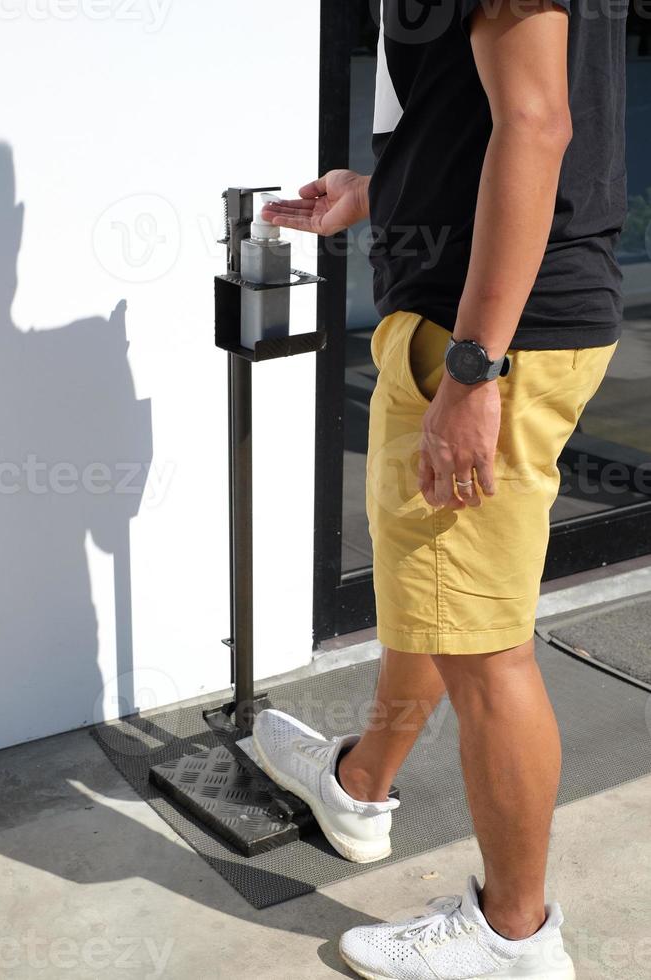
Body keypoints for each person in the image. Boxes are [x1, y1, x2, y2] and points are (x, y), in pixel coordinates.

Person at [253, 0, 627, 976]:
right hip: (476, 312)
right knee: (436, 596)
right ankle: (359, 783)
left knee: (481, 645)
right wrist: (378, 190)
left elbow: (541, 125)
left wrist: (473, 367)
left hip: (492, 327)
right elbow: (482, 116)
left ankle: (515, 935)